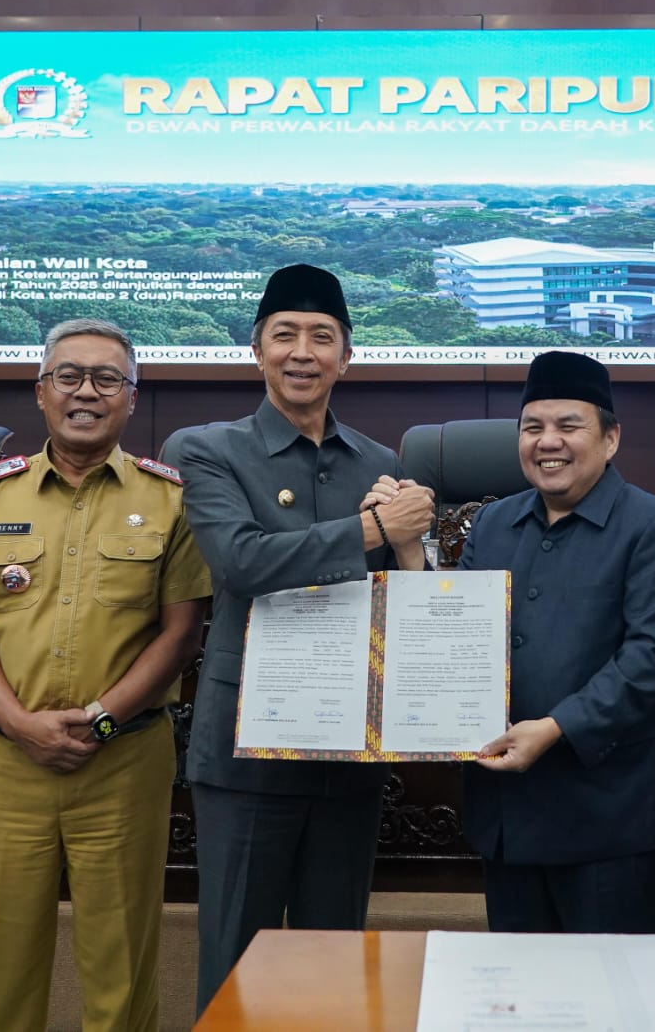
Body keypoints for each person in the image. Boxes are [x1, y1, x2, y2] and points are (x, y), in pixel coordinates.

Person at [0, 318, 211, 1032]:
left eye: (107, 379)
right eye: (70, 376)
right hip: (7, 761)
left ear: (131, 398)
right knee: (0, 967)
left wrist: (102, 720)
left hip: (123, 761)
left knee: (122, 970)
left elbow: (182, 632)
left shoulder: (171, 500)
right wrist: (21, 725)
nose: (87, 392)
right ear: (41, 391)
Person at [173, 264, 433, 1013]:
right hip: (246, 749)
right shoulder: (207, 448)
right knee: (236, 961)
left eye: (322, 337)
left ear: (346, 358)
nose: (302, 352)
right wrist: (374, 527)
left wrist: (409, 546)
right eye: (284, 335)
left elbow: (403, 601)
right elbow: (241, 562)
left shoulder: (380, 463)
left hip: (350, 748)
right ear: (256, 350)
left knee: (334, 963)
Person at [454, 350, 655, 933]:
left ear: (610, 439)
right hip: (508, 813)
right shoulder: (492, 523)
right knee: (518, 982)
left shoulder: (654, 525)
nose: (548, 442)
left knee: (613, 984)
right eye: (532, 427)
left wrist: (556, 728)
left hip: (607, 816)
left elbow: (652, 656)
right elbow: (456, 631)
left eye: (569, 426)